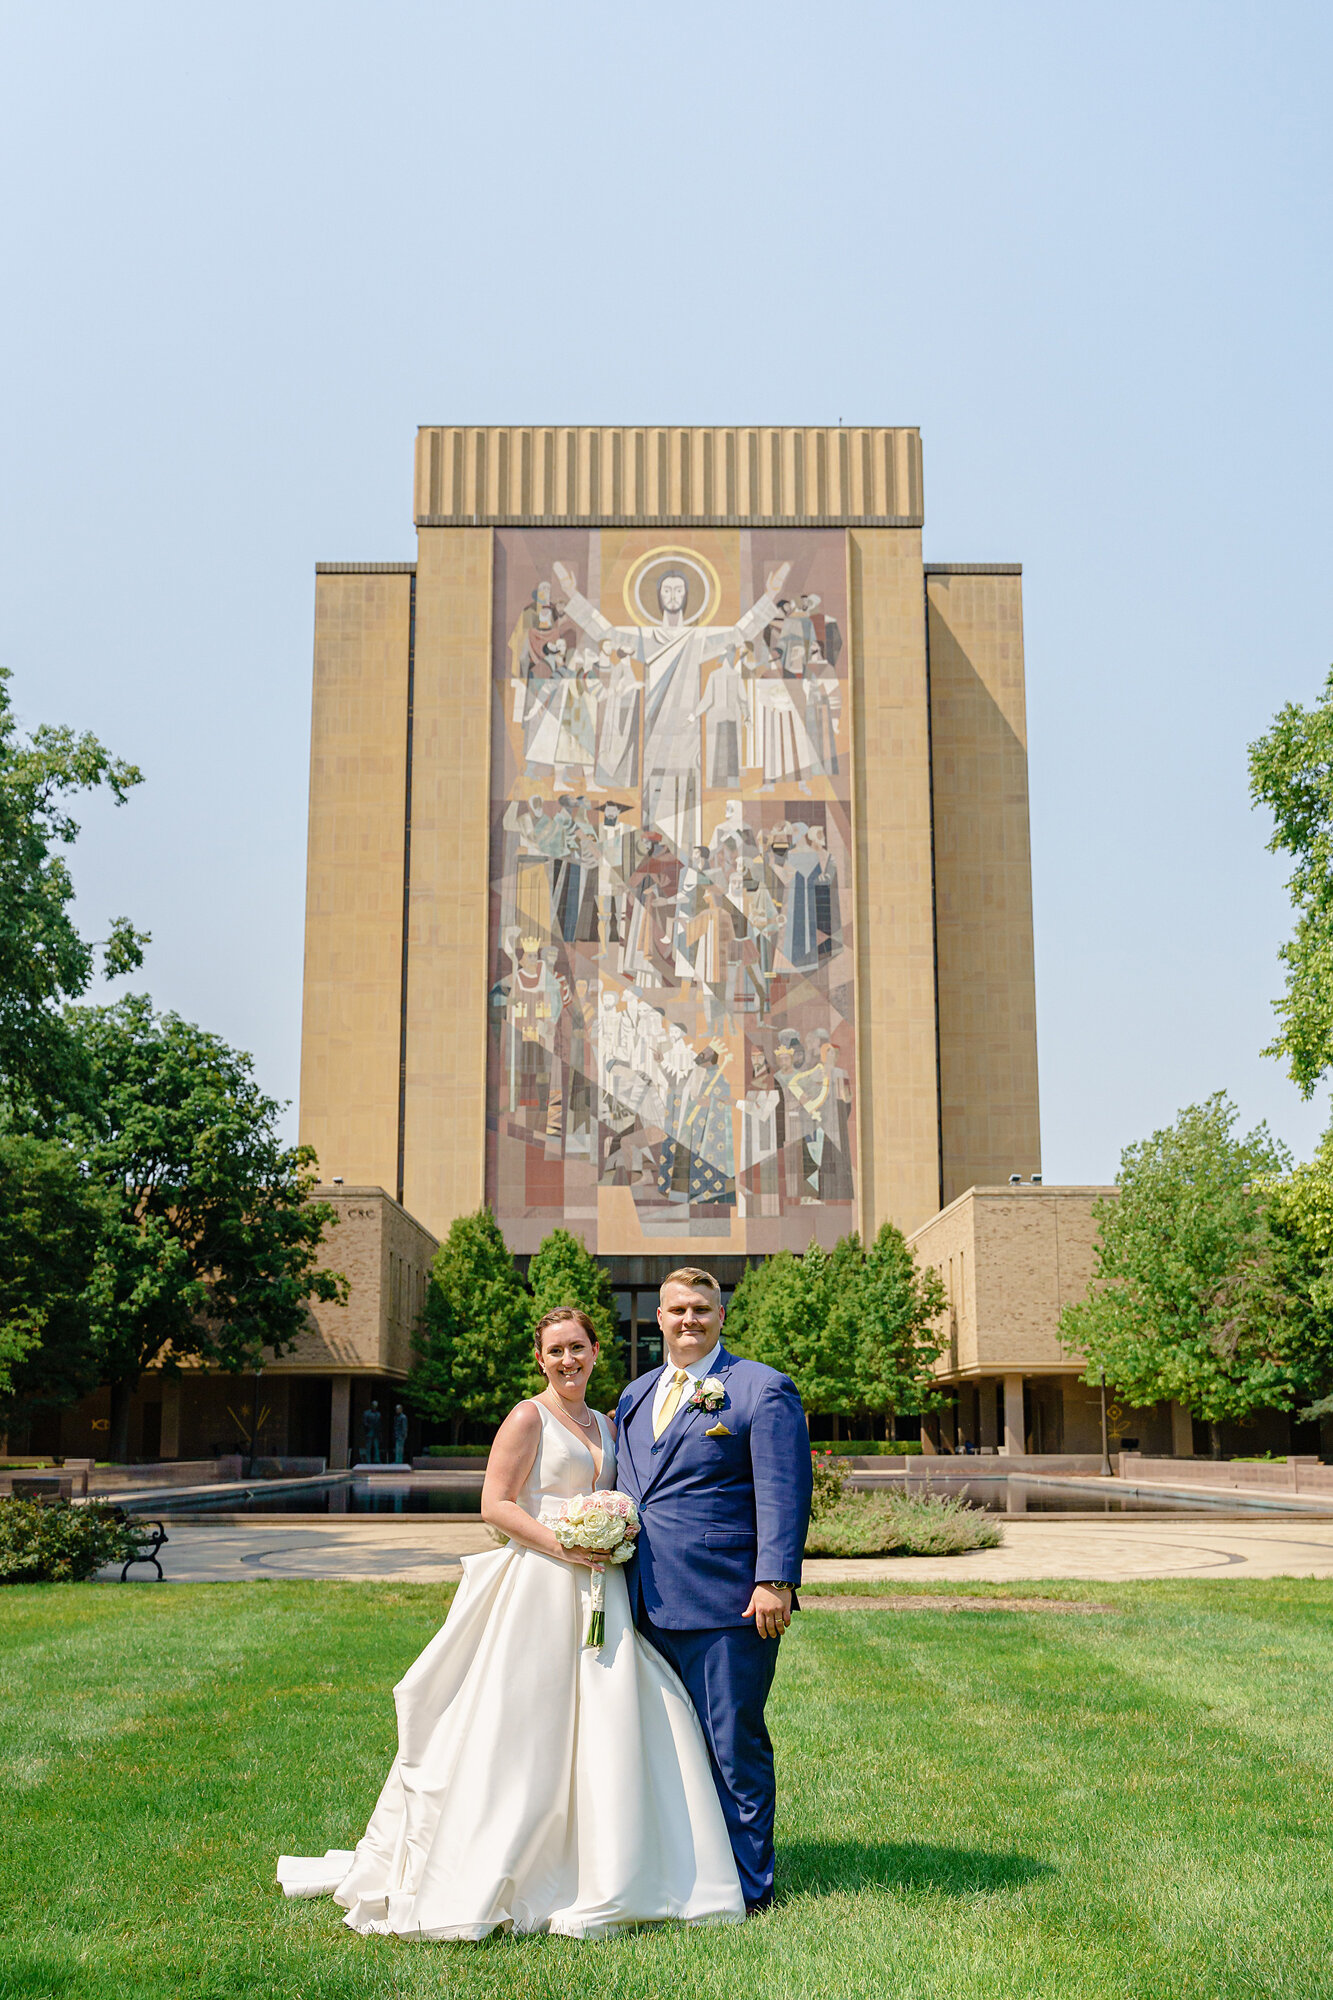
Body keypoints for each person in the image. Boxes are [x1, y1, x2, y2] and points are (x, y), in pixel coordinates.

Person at [277, 1307, 744, 1940]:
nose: (567, 1361)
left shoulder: (609, 1423)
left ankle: (607, 1861)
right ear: (540, 1359)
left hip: (601, 1584)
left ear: (596, 1351)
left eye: (577, 1348)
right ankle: (505, 1860)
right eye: (555, 1351)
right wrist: (564, 1544)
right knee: (525, 1723)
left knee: (611, 1719)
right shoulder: (528, 1417)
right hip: (541, 1585)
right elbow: (493, 1506)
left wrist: (613, 1531)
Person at [615, 1269, 813, 1912]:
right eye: (676, 1309)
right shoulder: (635, 1395)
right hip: (640, 1601)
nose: (688, 1319)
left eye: (701, 1309)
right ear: (660, 1319)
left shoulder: (762, 1388)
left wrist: (775, 1580)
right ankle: (681, 1873)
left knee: (732, 1744)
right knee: (660, 1745)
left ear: (721, 1317)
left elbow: (784, 1492)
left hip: (729, 1603)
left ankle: (751, 1890)